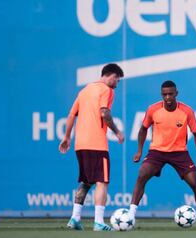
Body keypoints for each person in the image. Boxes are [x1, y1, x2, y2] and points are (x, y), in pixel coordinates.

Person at [128, 80, 196, 231]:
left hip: (179, 152)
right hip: (157, 151)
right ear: (161, 95)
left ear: (176, 93)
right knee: (142, 175)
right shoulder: (153, 109)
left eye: (170, 94)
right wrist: (139, 151)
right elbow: (143, 129)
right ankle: (130, 216)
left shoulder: (186, 111)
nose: (168, 97)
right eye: (164, 94)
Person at [59, 63, 125, 231]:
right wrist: (117, 131)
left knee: (86, 182)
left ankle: (74, 218)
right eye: (117, 79)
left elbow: (71, 114)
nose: (117, 83)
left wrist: (67, 137)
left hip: (80, 145)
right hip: (97, 145)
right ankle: (99, 222)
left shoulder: (85, 90)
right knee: (102, 182)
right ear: (110, 75)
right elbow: (105, 113)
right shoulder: (107, 90)